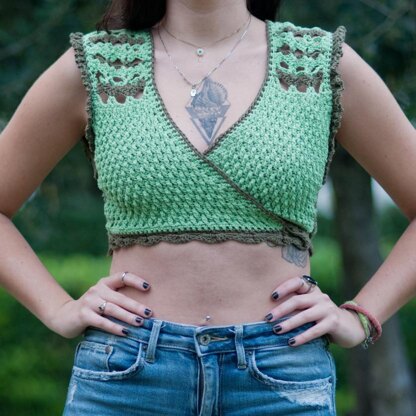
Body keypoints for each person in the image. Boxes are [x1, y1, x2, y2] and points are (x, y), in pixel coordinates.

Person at [0, 0, 415, 414]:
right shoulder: (96, 65)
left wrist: (360, 318)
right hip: (125, 376)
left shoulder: (320, 63)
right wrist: (59, 309)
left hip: (281, 375)